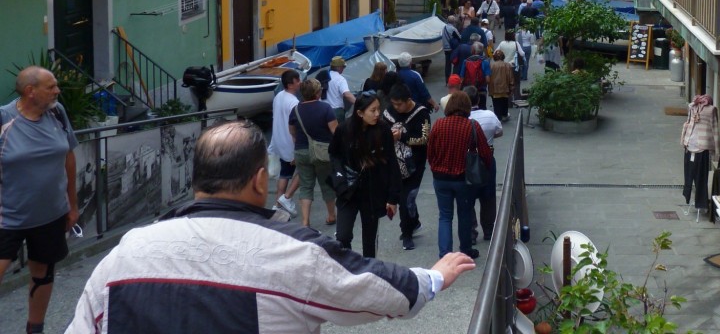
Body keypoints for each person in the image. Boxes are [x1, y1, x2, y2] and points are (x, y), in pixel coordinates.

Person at [66, 121, 476, 332]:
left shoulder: (125, 252)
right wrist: (433, 278)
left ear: (195, 180)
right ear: (261, 181)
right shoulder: (293, 251)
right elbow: (379, 290)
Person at [0, 67, 78, 334]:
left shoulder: (57, 113)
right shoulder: (3, 119)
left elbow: (68, 156)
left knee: (43, 271)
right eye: (51, 86)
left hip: (51, 213)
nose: (57, 91)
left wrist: (72, 205)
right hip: (7, 216)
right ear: (30, 92)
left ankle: (35, 329)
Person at [328, 92, 400, 258]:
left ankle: (369, 272)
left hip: (373, 192)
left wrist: (393, 197)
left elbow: (391, 163)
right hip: (348, 190)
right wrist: (339, 178)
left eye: (378, 110)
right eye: (372, 110)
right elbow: (334, 154)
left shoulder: (383, 130)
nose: (377, 114)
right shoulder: (344, 129)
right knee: (343, 236)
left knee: (369, 239)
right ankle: (347, 266)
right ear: (360, 113)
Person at [427, 91, 493, 260]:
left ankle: (445, 255)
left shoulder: (439, 124)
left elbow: (430, 151)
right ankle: (465, 250)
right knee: (464, 214)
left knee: (445, 216)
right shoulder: (472, 126)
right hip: (463, 179)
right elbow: (485, 153)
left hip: (440, 178)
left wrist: (435, 167)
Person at [383, 83, 431, 251]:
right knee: (404, 197)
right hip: (394, 163)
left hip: (415, 164)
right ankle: (413, 221)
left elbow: (424, 139)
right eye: (394, 104)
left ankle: (407, 233)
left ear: (408, 100)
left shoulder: (421, 113)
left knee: (406, 198)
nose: (396, 107)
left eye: (399, 104)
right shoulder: (388, 113)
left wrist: (402, 136)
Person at [289, 77, 339, 228]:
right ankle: (331, 215)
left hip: (302, 151)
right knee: (326, 184)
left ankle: (305, 221)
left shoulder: (295, 110)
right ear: (317, 93)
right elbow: (335, 131)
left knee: (305, 186)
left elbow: (292, 131)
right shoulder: (325, 108)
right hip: (323, 152)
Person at [462, 86, 502, 244]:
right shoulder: (490, 115)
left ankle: (471, 232)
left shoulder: (462, 119)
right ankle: (489, 230)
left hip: (467, 161)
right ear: (478, 100)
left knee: (468, 197)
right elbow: (499, 132)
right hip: (487, 160)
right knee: (488, 197)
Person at [267, 69, 301, 217]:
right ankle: (286, 198)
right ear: (290, 84)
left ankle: (277, 205)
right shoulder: (293, 102)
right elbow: (296, 126)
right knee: (305, 171)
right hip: (290, 143)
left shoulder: (279, 96)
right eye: (297, 81)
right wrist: (296, 147)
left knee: (284, 174)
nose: (299, 83)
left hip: (279, 140)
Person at [459, 42, 491, 109]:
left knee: (469, 110)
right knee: (482, 109)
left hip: (469, 91)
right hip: (481, 90)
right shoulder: (485, 62)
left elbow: (461, 79)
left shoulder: (466, 62)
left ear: (473, 51)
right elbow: (488, 80)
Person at [325, 56, 356, 125]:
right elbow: (347, 94)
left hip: (323, 110)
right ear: (338, 67)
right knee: (340, 133)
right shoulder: (340, 79)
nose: (343, 69)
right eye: (343, 67)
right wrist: (358, 102)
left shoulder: (323, 76)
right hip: (336, 112)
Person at [488, 50, 516, 122]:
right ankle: (504, 114)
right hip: (505, 88)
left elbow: (488, 77)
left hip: (494, 88)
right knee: (504, 102)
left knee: (496, 103)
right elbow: (511, 78)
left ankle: (498, 116)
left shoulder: (491, 65)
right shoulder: (507, 65)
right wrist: (512, 87)